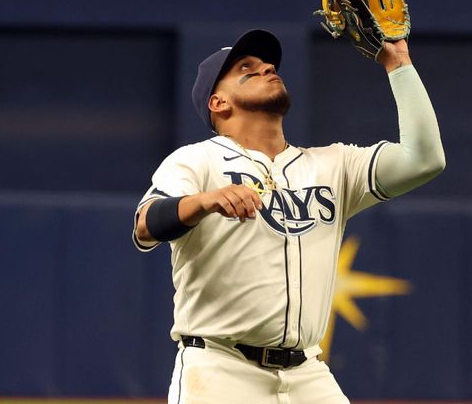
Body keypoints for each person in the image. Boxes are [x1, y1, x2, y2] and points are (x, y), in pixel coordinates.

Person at [133, 28, 445, 404]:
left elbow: (424, 160)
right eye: (246, 68)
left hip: (308, 374)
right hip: (220, 371)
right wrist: (203, 201)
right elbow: (146, 224)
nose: (265, 68)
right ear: (218, 102)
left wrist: (399, 63)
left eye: (267, 64)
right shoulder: (197, 160)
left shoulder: (334, 165)